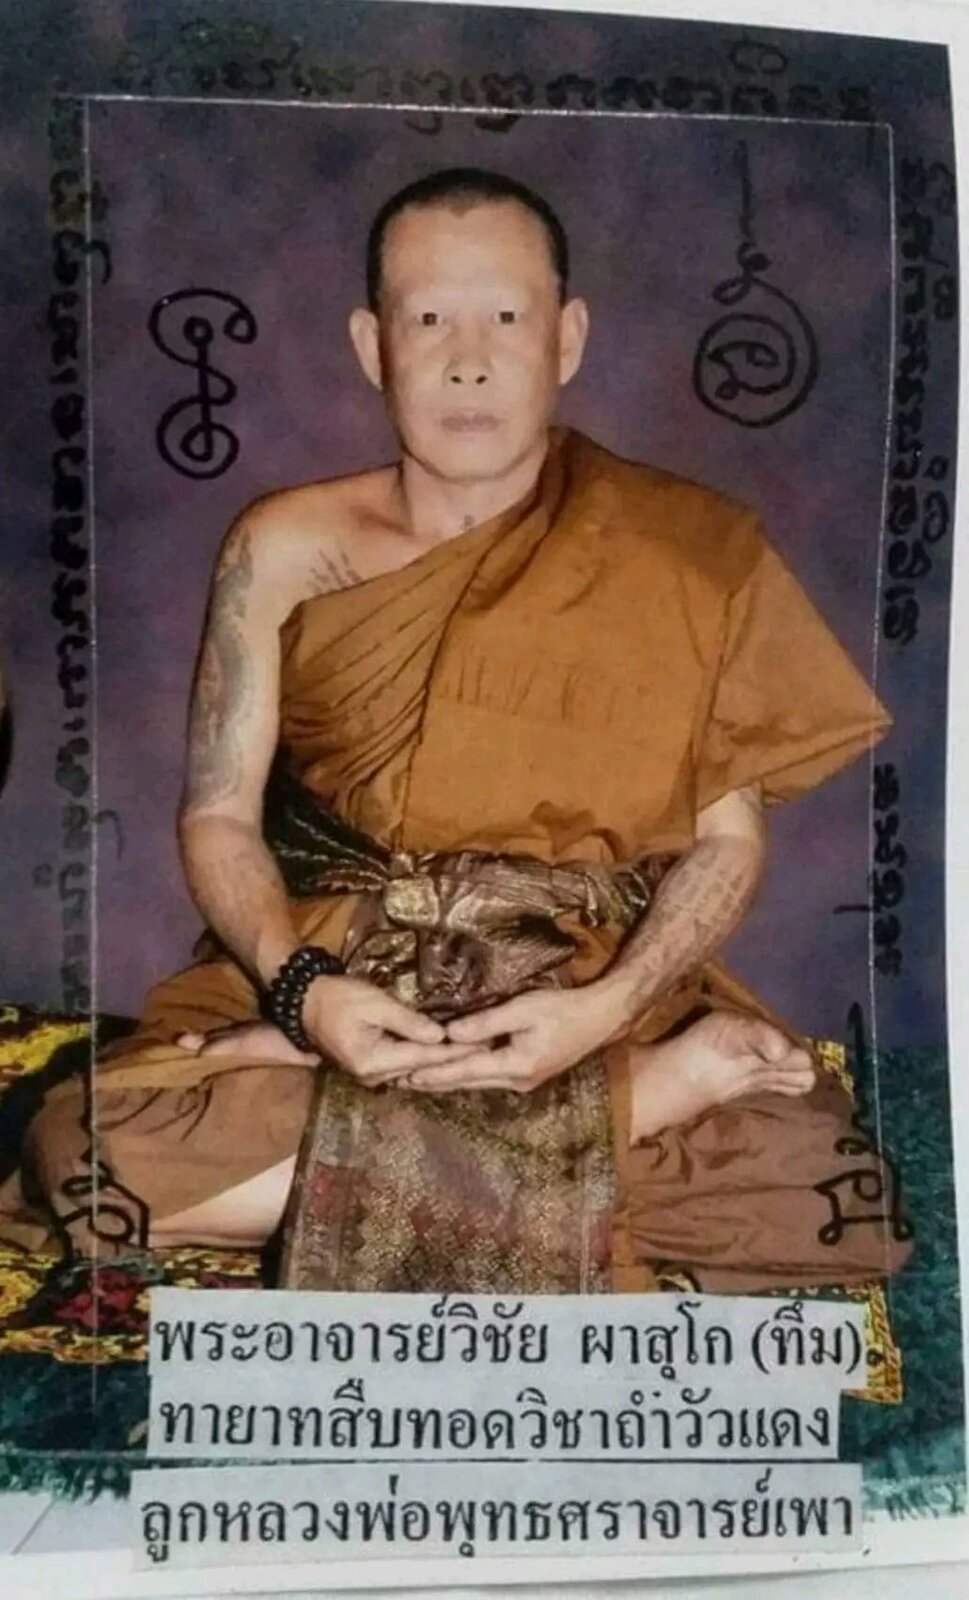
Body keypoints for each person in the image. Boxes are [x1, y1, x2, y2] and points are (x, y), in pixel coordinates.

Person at [1, 167, 911, 1291]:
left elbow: (727, 843)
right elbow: (219, 814)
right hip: (346, 961)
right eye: (428, 319)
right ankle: (644, 1105)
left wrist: (605, 1014)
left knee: (820, 1197)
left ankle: (510, 1108)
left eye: (507, 317)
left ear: (566, 339)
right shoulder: (284, 545)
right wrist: (303, 996)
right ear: (372, 345)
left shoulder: (683, 552)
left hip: (578, 977)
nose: (468, 359)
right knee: (84, 1155)